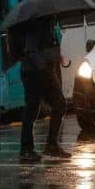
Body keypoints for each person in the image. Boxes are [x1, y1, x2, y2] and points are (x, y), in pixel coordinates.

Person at [19, 16, 70, 161]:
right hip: (35, 72)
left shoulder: (48, 23)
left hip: (43, 70)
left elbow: (45, 47)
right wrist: (43, 67)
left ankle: (50, 145)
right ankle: (27, 149)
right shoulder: (37, 24)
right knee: (33, 107)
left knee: (56, 105)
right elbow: (31, 50)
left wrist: (56, 57)